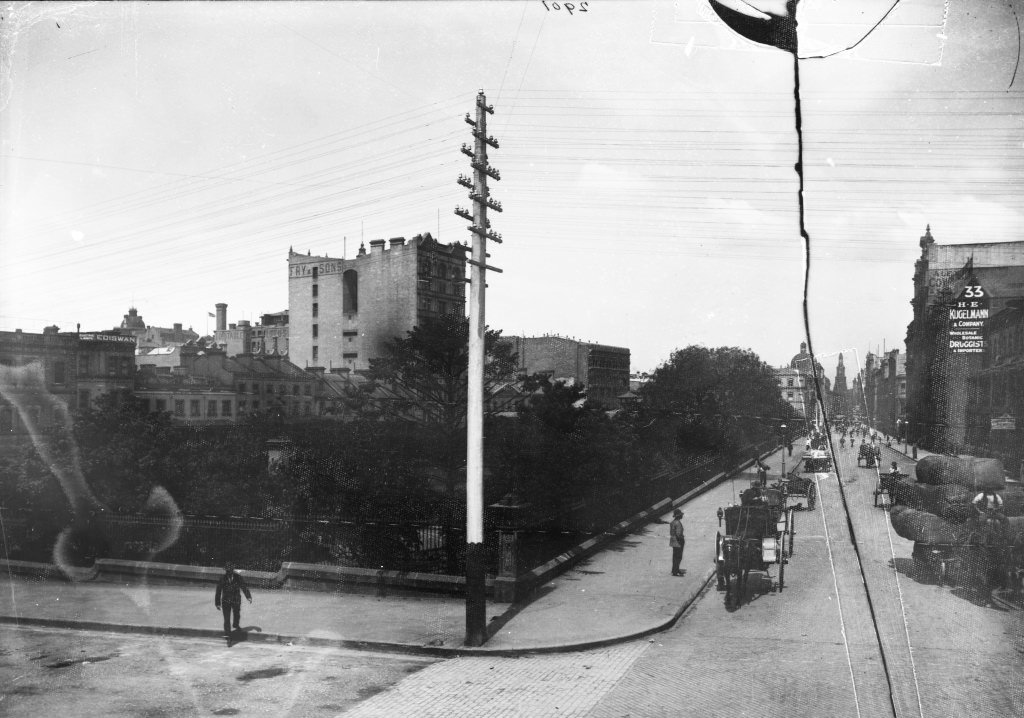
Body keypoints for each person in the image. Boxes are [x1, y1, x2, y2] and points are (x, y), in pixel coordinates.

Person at [215, 562, 252, 636]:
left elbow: (243, 587)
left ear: (232, 570)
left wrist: (248, 597)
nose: (228, 572)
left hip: (236, 599)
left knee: (236, 614)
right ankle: (228, 634)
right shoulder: (222, 578)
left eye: (230, 570)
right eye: (227, 570)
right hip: (226, 601)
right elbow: (218, 591)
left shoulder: (238, 577)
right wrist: (218, 603)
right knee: (227, 619)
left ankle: (235, 624)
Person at [669, 509, 685, 576]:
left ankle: (675, 569)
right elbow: (678, 534)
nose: (682, 516)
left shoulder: (672, 522)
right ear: (678, 515)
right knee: (678, 556)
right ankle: (675, 571)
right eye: (681, 515)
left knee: (675, 556)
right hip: (678, 540)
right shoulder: (678, 523)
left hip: (673, 540)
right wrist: (681, 539)